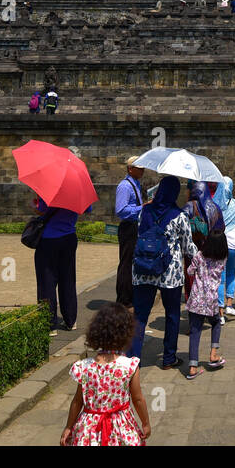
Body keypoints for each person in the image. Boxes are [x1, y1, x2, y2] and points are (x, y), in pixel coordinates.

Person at [129, 175, 198, 369]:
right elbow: (188, 247)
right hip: (170, 273)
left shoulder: (144, 212)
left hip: (143, 269)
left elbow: (139, 235)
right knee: (172, 315)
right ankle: (168, 358)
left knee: (140, 315)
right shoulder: (179, 216)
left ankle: (133, 359)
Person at [61, 304, 149, 446]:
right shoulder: (129, 366)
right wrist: (145, 423)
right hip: (121, 428)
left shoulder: (84, 367)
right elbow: (138, 399)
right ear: (126, 334)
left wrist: (68, 427)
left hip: (89, 430)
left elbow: (78, 401)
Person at [182, 181, 227, 379]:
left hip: (195, 292)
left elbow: (190, 271)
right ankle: (214, 353)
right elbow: (221, 229)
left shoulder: (187, 207)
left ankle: (192, 366)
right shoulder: (215, 208)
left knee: (194, 329)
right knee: (215, 322)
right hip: (210, 297)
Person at [32, 194, 80, 332]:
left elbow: (41, 210)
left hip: (49, 239)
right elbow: (86, 209)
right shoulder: (76, 191)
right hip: (69, 237)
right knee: (68, 279)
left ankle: (49, 324)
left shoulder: (49, 191)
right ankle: (70, 320)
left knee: (46, 280)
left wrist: (33, 205)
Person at [114, 157, 146, 306]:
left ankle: (130, 295)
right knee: (126, 262)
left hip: (134, 225)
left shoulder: (136, 185)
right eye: (139, 168)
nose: (142, 170)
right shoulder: (125, 186)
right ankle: (123, 298)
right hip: (128, 227)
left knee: (132, 261)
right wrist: (142, 208)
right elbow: (121, 210)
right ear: (130, 169)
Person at [215, 177, 235, 317]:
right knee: (231, 275)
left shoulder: (215, 205)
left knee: (220, 278)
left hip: (220, 245)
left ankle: (220, 312)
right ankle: (229, 304)